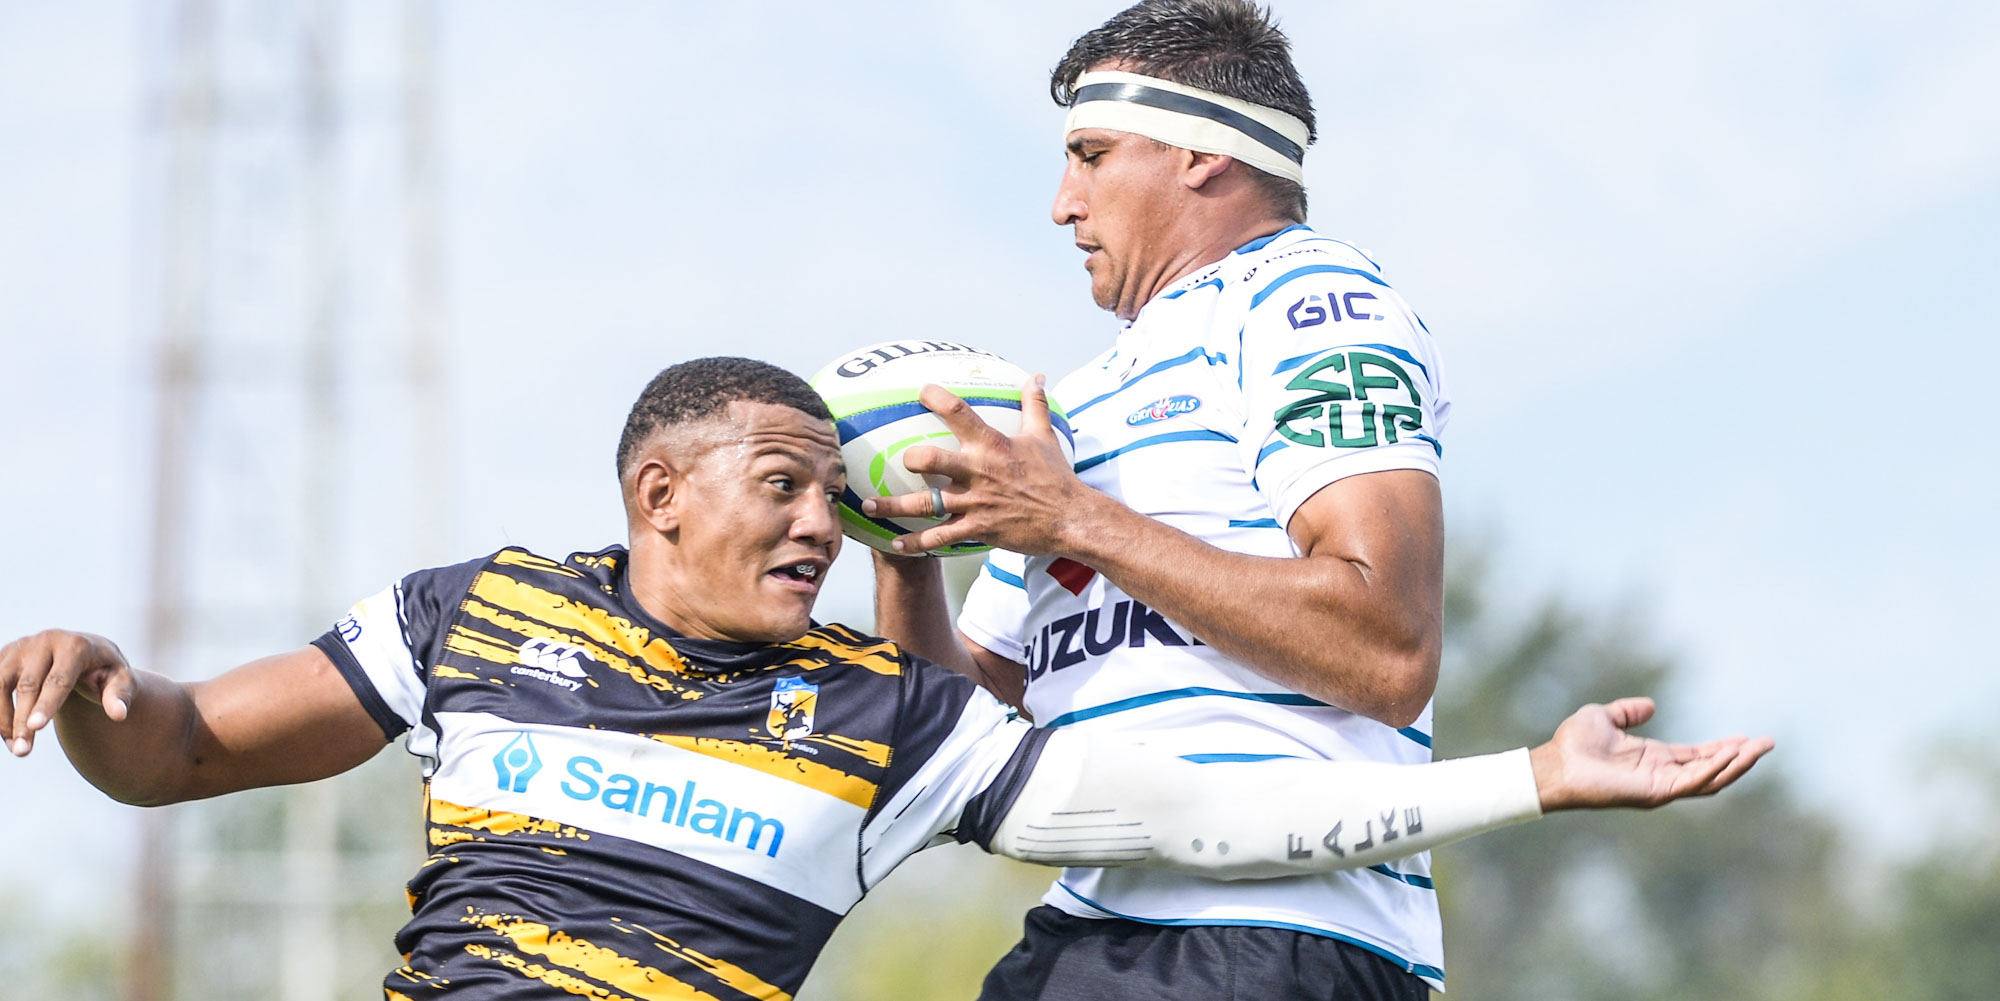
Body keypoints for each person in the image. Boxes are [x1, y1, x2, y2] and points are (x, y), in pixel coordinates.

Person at [4, 358, 1769, 1001]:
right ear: (658, 494)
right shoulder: (475, 613)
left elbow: (1217, 823)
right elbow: (178, 754)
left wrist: (1530, 779)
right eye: (785, 486)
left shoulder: (892, 715)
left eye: (836, 501)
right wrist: (98, 683)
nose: (818, 525)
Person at [858, 1, 1606, 997]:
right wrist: (899, 551)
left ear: (1201, 152)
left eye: (1090, 155)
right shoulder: (1074, 403)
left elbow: (1385, 648)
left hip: (1275, 930)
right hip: (1091, 928)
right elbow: (960, 728)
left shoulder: (1310, 299)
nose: (1062, 204)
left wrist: (1075, 520)